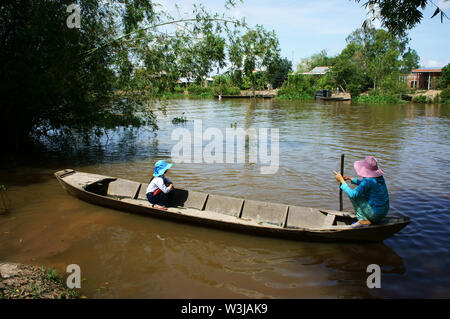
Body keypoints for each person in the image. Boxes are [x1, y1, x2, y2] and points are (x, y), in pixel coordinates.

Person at [334, 156, 389, 228]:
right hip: (384, 212)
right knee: (360, 194)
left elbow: (353, 194)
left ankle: (363, 220)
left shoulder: (368, 181)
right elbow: (367, 185)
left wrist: (341, 181)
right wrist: (351, 179)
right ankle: (367, 218)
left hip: (375, 215)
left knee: (355, 196)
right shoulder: (379, 178)